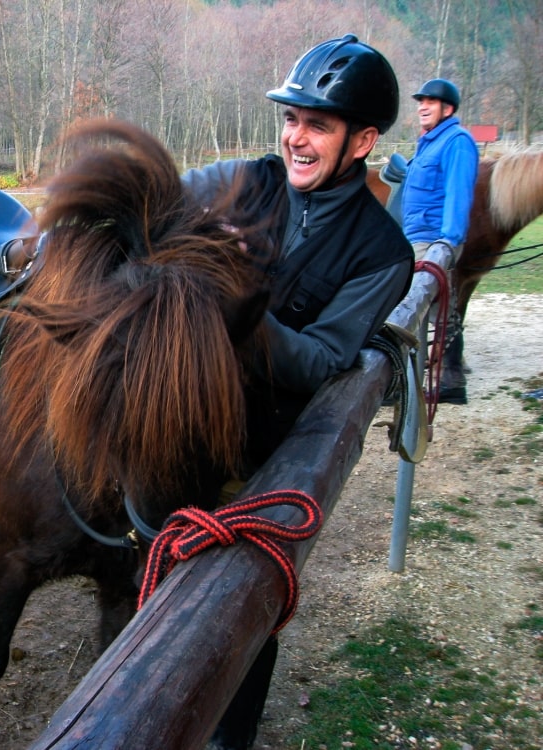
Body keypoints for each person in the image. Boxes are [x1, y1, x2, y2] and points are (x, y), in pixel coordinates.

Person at [180, 34, 414, 749]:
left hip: (257, 457)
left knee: (244, 608)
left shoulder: (384, 254)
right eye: (290, 119)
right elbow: (160, 191)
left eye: (317, 124)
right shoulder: (245, 179)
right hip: (181, 424)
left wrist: (242, 302)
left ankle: (231, 736)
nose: (296, 137)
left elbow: (320, 359)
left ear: (363, 140)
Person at [400, 78, 479, 404]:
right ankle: (448, 380)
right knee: (435, 311)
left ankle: (434, 381)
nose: (422, 106)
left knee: (414, 308)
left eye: (430, 102)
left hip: (433, 240)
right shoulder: (429, 142)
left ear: (448, 108)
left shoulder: (457, 142)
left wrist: (446, 243)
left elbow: (458, 193)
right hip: (417, 237)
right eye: (421, 101)